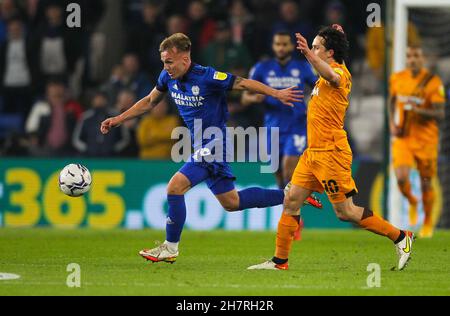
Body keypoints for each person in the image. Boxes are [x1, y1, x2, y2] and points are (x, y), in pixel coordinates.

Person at [101, 33, 306, 264]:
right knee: (232, 202)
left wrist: (277, 93)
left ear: (185, 60)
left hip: (214, 143)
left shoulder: (208, 76)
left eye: (169, 61)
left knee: (175, 187)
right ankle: (293, 195)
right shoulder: (167, 77)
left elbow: (243, 83)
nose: (166, 67)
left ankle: (170, 247)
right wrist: (118, 118)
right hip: (201, 144)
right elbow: (149, 101)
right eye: (163, 62)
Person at [248, 25, 415, 271]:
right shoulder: (323, 72)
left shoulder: (339, 74)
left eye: (317, 47)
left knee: (345, 212)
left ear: (329, 53)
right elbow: (327, 66)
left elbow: (332, 75)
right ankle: (279, 262)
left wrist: (308, 53)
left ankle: (401, 237)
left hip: (331, 153)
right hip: (312, 152)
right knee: (291, 200)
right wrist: (335, 35)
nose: (313, 50)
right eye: (312, 46)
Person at [242, 31, 322, 240]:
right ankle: (290, 214)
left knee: (289, 169)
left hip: (296, 125)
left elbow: (318, 88)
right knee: (278, 173)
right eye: (277, 44)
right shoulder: (262, 68)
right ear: (273, 45)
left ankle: (295, 216)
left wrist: (313, 107)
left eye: (284, 44)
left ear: (290, 46)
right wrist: (255, 98)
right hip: (272, 127)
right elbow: (245, 95)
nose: (281, 48)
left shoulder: (303, 67)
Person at [389, 45, 446, 238]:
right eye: (409, 56)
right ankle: (413, 202)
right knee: (401, 178)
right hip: (403, 138)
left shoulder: (432, 82)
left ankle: (428, 221)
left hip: (426, 140)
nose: (412, 59)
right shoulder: (397, 79)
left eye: (416, 56)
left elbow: (440, 114)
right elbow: (392, 100)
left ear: (422, 59)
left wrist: (418, 110)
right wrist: (391, 123)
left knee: (426, 183)